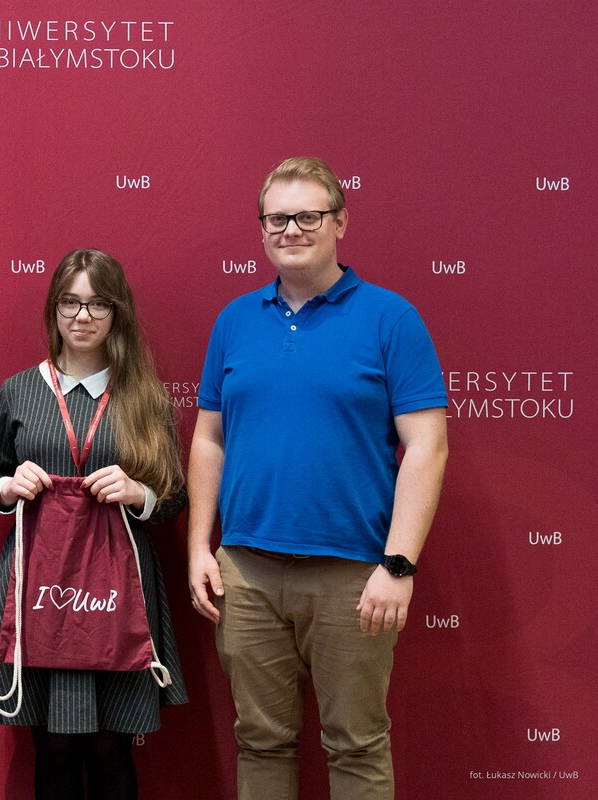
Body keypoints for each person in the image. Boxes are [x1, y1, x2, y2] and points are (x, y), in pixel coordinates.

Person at [187, 157, 449, 800]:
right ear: (262, 228)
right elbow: (208, 439)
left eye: (308, 216)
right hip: (246, 572)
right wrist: (199, 546)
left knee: (357, 745)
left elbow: (427, 447)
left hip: (354, 576)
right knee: (261, 742)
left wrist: (399, 565)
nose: (291, 230)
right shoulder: (234, 321)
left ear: (340, 223)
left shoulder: (391, 319)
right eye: (277, 218)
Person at [0, 249, 188, 800]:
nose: (83, 316)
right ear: (54, 309)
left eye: (98, 304)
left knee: (112, 748)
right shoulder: (19, 390)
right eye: (70, 302)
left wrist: (139, 493)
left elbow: (174, 498)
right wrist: (7, 487)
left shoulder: (145, 397)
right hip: (37, 587)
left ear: (118, 312)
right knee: (53, 747)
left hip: (119, 591)